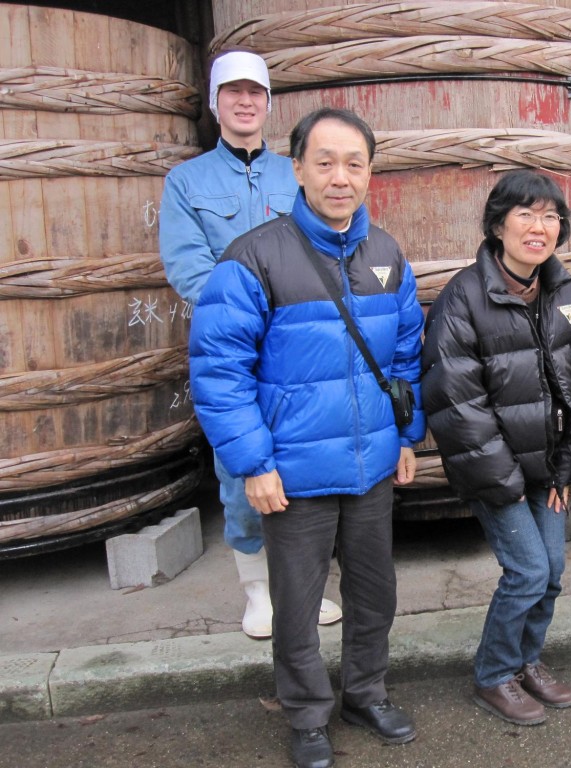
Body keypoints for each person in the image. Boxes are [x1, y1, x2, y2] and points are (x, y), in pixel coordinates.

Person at [189, 107, 425, 768]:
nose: (340, 177)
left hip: (373, 464)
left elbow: (406, 356)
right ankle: (306, 713)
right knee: (297, 603)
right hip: (291, 473)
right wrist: (253, 463)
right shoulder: (255, 257)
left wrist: (406, 434)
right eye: (325, 162)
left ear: (371, 173)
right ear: (296, 169)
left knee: (374, 592)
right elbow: (219, 371)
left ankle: (365, 692)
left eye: (354, 164)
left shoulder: (386, 255)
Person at [159, 50, 341, 639]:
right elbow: (187, 266)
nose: (245, 102)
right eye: (232, 92)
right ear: (214, 104)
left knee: (308, 460)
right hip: (235, 346)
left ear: (268, 103)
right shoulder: (187, 182)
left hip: (303, 341)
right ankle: (258, 592)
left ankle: (307, 587)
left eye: (255, 93)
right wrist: (250, 308)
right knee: (241, 467)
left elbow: (330, 241)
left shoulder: (295, 169)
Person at [422, 170, 571, 725]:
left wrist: (567, 468)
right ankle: (494, 674)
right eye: (525, 214)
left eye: (550, 216)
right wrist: (507, 483)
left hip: (547, 469)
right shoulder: (464, 297)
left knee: (551, 569)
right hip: (495, 470)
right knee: (525, 569)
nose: (538, 227)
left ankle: (527, 660)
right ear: (498, 225)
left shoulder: (563, 291)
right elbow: (458, 405)